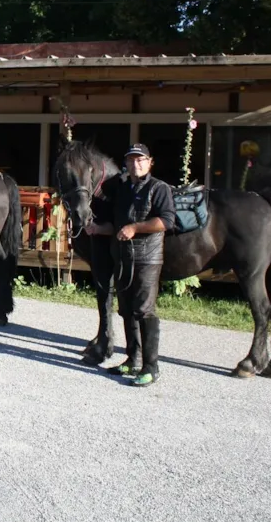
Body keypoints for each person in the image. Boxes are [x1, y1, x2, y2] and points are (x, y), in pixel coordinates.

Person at [86, 143, 176, 387]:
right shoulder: (122, 189)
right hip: (123, 257)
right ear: (125, 163)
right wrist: (98, 229)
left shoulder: (159, 188)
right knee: (126, 309)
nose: (135, 164)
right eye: (131, 160)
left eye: (141, 159)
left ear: (150, 162)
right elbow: (118, 225)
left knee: (144, 311)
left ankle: (151, 367)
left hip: (147, 258)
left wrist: (135, 228)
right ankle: (132, 358)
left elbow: (166, 220)